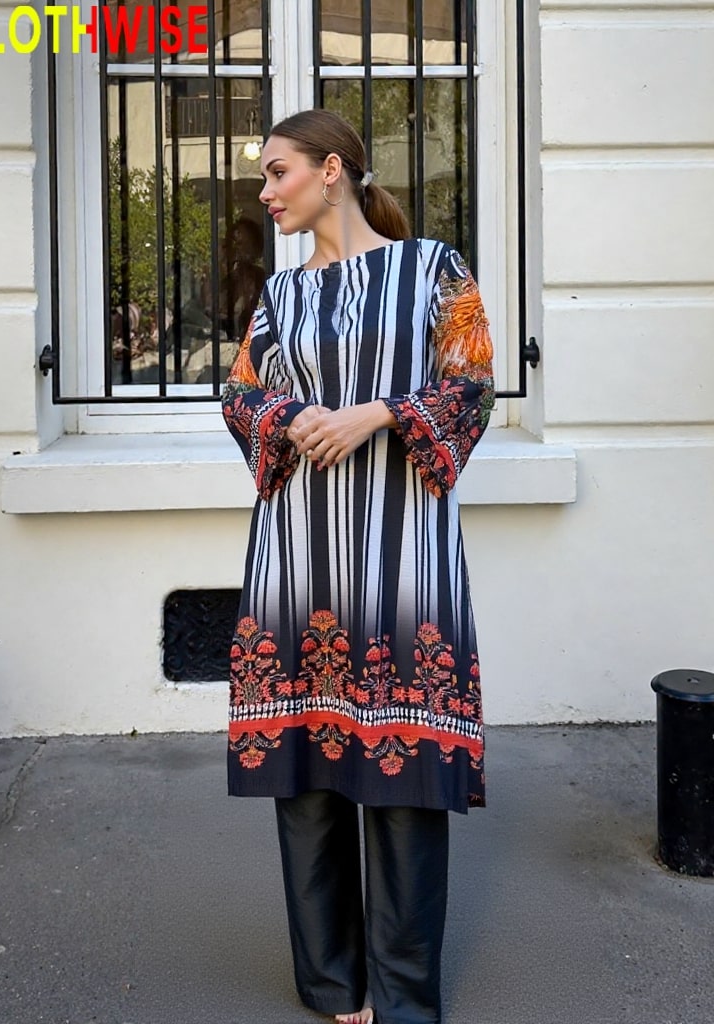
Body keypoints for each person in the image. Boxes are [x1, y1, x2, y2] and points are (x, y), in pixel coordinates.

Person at [221, 109, 494, 1024]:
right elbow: (240, 388)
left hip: (403, 555)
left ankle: (406, 996)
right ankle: (334, 987)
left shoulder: (434, 270)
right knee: (304, 765)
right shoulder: (279, 297)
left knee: (406, 767)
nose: (266, 193)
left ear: (331, 169)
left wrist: (376, 413)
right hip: (297, 553)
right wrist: (282, 420)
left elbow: (473, 379)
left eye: (277, 172)